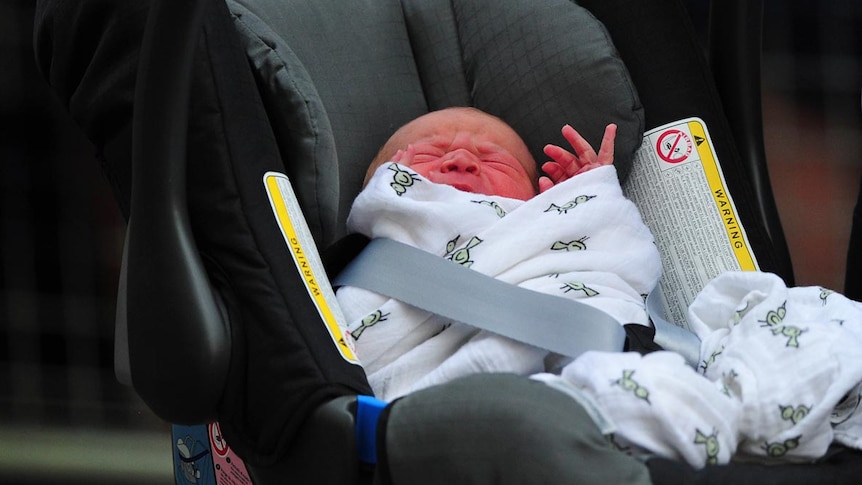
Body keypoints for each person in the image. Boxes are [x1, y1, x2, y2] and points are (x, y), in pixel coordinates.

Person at [336, 106, 662, 400]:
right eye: (428, 152)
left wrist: (589, 200)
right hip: (443, 404)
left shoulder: (548, 232)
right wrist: (394, 201)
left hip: (598, 367)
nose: (461, 160)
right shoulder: (365, 256)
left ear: (536, 198)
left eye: (495, 159)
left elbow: (617, 254)